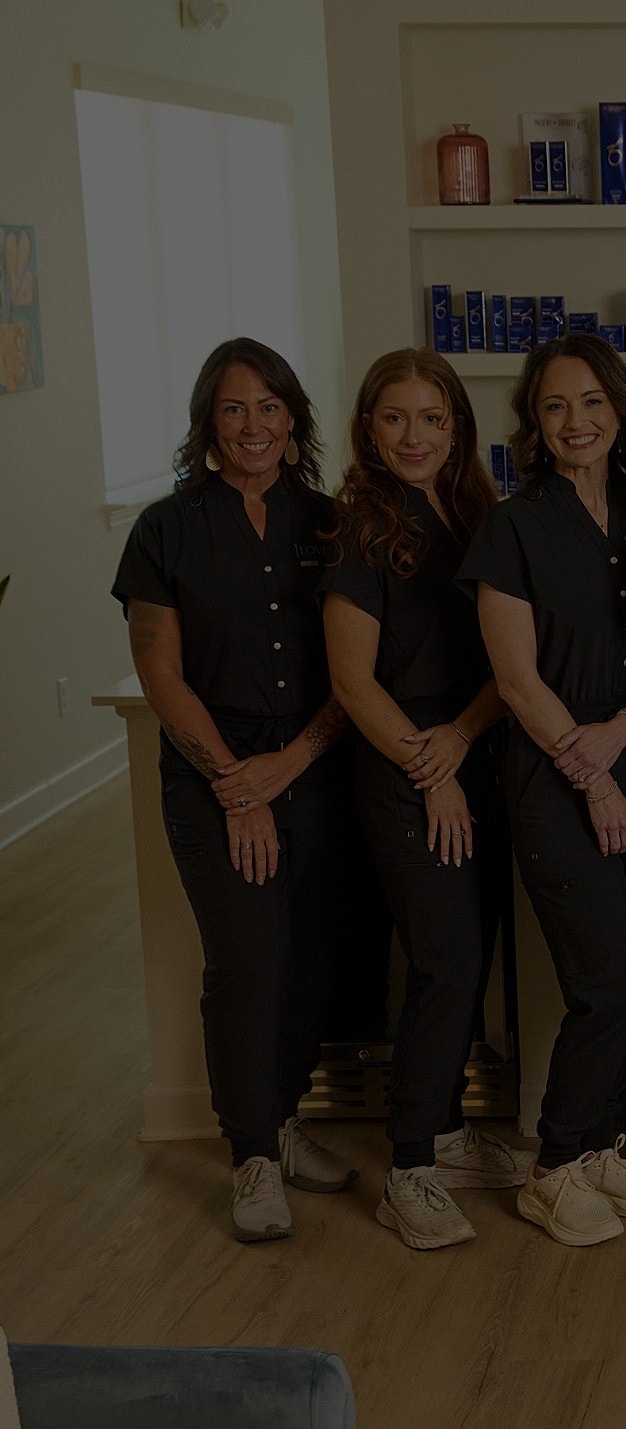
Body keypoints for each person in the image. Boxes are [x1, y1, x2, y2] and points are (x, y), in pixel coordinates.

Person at [112, 337, 358, 1242]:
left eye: (268, 406)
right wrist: (237, 783)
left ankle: (284, 1120)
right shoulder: (164, 529)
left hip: (317, 768)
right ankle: (251, 1152)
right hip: (213, 779)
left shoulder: (332, 524)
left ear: (293, 418)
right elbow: (160, 672)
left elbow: (357, 667)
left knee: (313, 960)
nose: (252, 424)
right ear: (207, 424)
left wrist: (291, 763)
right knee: (247, 960)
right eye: (232, 408)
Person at [458, 333, 626, 1246]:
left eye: (592, 401)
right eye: (555, 406)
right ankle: (554, 1167)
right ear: (534, 424)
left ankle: (598, 1147)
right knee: (611, 983)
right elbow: (516, 682)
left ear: (622, 411)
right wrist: (593, 778)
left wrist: (625, 731)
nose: (576, 420)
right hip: (556, 780)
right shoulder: (511, 528)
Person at [322, 348, 534, 1250]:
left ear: (458, 428)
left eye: (433, 418)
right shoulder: (359, 530)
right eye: (395, 418)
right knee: (444, 961)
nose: (415, 436)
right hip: (405, 767)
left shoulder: (478, 513)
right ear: (369, 428)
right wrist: (434, 767)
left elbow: (506, 666)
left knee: (470, 958)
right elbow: (352, 681)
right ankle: (408, 1169)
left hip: (472, 752)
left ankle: (445, 1132)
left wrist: (464, 740)